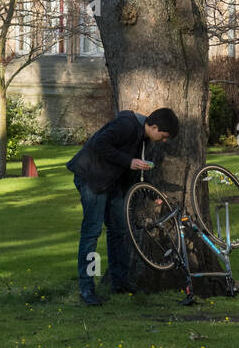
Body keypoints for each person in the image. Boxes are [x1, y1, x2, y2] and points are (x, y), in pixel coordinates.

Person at [66, 107, 179, 305]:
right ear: (154, 126)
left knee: (118, 230)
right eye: (163, 136)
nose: (163, 141)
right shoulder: (126, 125)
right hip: (92, 179)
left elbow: (131, 170)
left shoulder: (143, 137)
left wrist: (151, 193)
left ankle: (120, 282)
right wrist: (129, 161)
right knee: (92, 233)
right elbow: (100, 143)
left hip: (111, 182)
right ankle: (87, 289)